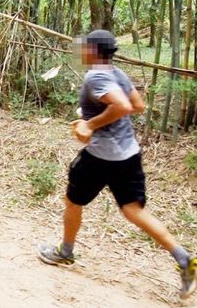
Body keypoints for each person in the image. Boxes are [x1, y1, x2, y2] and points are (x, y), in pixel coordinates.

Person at [37, 30, 196, 299]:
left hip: (101, 156)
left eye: (84, 46)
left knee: (73, 201)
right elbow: (138, 105)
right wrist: (100, 114)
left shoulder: (96, 75)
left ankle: (65, 252)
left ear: (93, 50)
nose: (80, 51)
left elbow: (123, 106)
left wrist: (91, 123)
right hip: (128, 154)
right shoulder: (117, 73)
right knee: (133, 210)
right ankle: (184, 259)